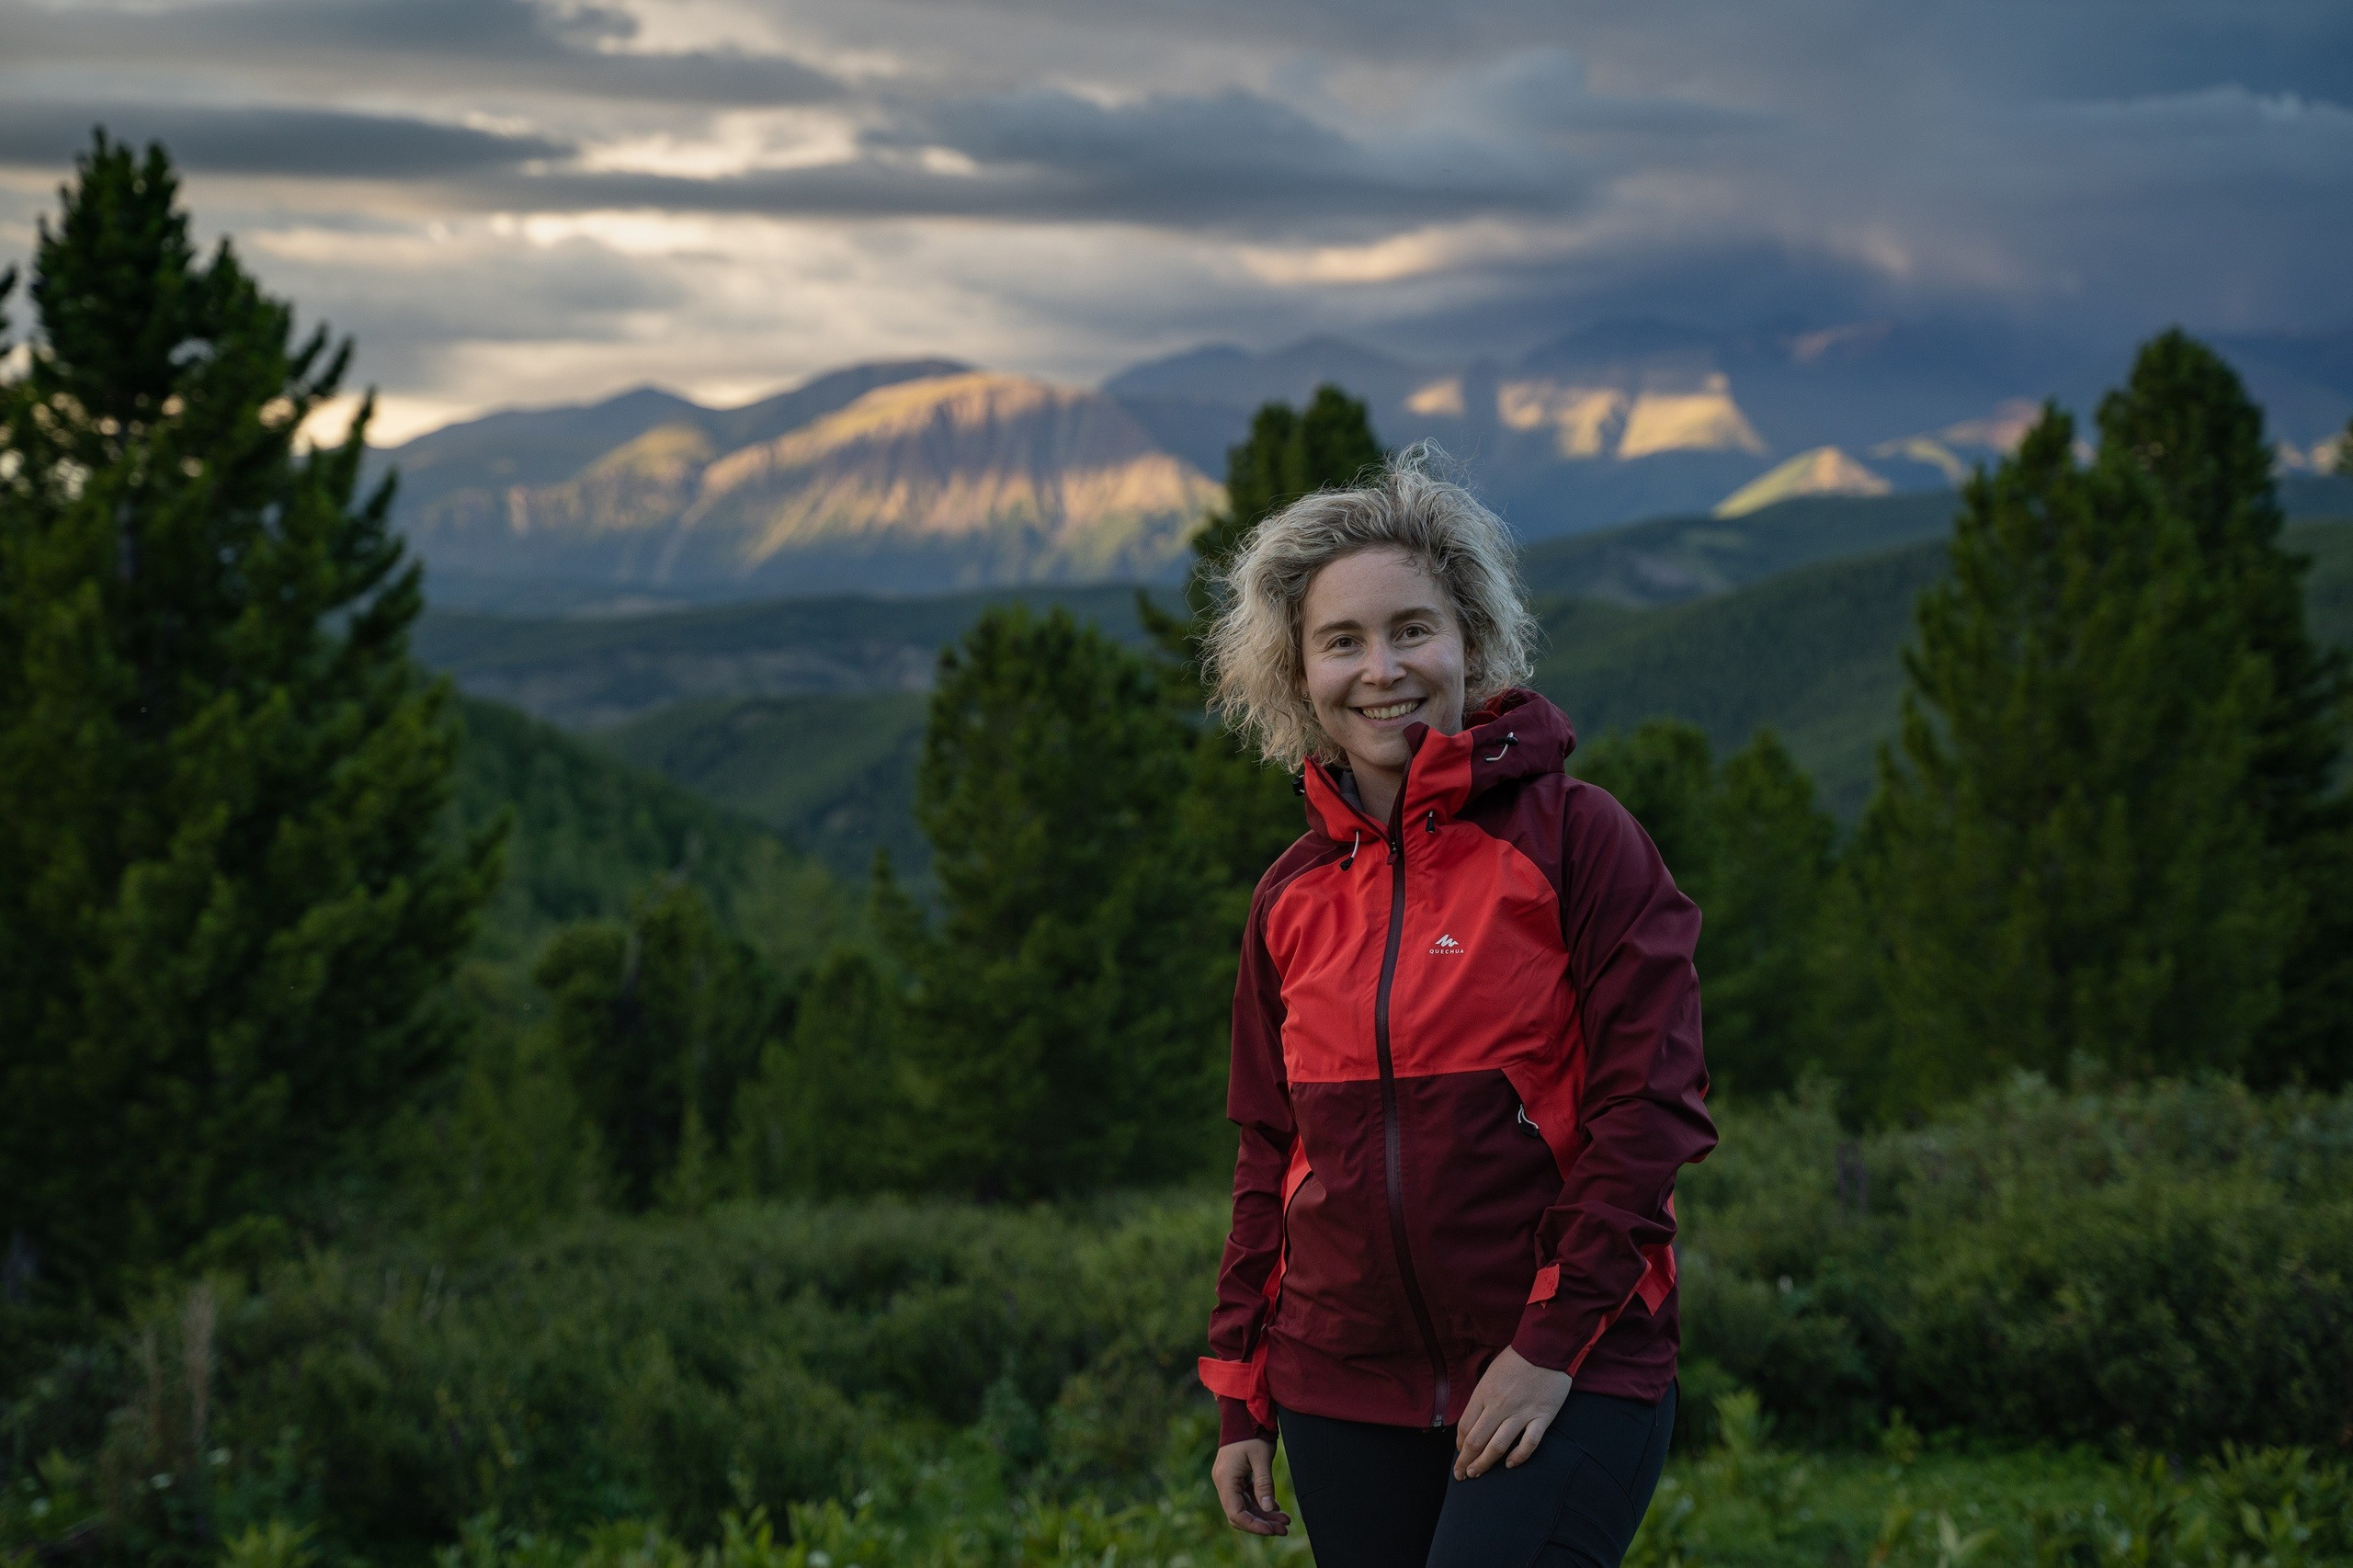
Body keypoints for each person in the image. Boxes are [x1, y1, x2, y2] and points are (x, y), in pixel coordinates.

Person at [1195, 453, 1716, 1568]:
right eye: (1341, 641)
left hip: (1561, 1365)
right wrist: (1243, 1385)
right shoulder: (1289, 897)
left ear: (1470, 643)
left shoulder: (1580, 842)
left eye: (1412, 630)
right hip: (1343, 1385)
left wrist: (1549, 1342)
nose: (1381, 670)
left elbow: (1650, 1114)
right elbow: (1269, 1155)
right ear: (1297, 674)